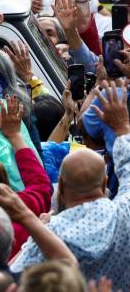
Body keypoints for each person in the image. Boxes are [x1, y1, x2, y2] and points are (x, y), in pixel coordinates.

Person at [12, 84, 130, 288]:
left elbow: (10, 278)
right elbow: (127, 166)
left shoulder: (49, 237)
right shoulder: (125, 213)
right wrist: (122, 127)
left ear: (62, 189)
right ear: (104, 184)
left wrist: (38, 230)